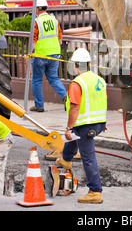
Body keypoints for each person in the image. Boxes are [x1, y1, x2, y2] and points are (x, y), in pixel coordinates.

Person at [55, 48, 107, 204]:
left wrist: (69, 128)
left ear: (75, 65)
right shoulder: (99, 80)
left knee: (88, 157)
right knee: (75, 136)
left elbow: (75, 107)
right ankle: (66, 159)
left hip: (86, 125)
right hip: (98, 123)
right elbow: (104, 100)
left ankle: (95, 192)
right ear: (89, 64)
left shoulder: (77, 83)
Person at [30, 0, 67, 112]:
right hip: (55, 54)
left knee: (36, 80)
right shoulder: (54, 20)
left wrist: (31, 53)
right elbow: (60, 38)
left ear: (37, 8)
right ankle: (66, 97)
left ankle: (39, 106)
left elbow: (34, 40)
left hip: (41, 55)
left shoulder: (37, 22)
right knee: (53, 78)